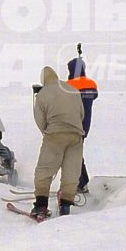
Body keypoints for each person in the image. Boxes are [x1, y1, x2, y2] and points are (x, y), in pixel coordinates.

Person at [29, 66, 87, 218]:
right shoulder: (72, 89)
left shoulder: (43, 93)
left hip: (55, 134)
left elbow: (39, 119)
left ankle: (41, 206)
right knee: (71, 171)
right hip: (76, 135)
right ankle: (66, 206)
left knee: (44, 170)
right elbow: (81, 113)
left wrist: (47, 132)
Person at [65, 53, 98, 193]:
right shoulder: (91, 84)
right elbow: (94, 95)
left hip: (72, 125)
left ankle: (82, 184)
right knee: (76, 153)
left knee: (72, 154)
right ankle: (83, 183)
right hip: (85, 125)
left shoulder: (69, 85)